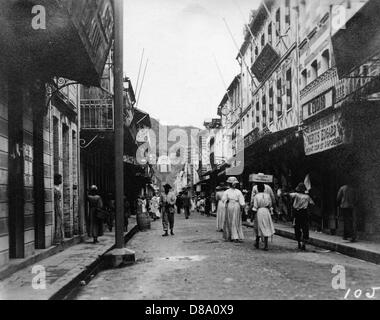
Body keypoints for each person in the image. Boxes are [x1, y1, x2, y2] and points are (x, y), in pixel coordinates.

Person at [287, 183, 315, 251]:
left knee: (297, 227)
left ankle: (299, 242)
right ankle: (304, 243)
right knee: (305, 227)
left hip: (297, 213)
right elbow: (312, 203)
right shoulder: (307, 197)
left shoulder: (296, 194)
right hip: (304, 213)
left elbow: (288, 195)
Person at [252, 183, 275, 251]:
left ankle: (257, 242)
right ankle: (266, 245)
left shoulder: (256, 196)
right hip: (266, 211)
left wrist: (252, 216)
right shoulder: (268, 195)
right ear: (264, 189)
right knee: (266, 227)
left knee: (258, 227)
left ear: (258, 189)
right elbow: (270, 205)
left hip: (259, 211)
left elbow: (255, 206)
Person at [222, 177, 246, 243]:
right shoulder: (236, 191)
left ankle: (235, 236)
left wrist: (242, 205)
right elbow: (224, 199)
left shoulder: (230, 191)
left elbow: (223, 199)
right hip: (232, 205)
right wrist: (242, 205)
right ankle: (232, 235)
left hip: (234, 205)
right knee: (232, 220)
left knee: (235, 220)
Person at [53, 174, 64, 245]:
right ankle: (56, 239)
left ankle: (60, 238)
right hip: (55, 205)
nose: (61, 180)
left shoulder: (59, 187)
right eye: (60, 179)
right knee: (57, 221)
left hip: (59, 205)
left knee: (60, 221)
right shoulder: (53, 188)